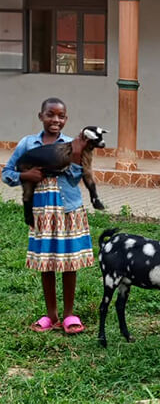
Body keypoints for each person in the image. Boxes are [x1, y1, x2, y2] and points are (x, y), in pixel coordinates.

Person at [1, 98, 93, 334]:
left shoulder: (71, 145)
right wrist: (26, 176)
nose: (56, 120)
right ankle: (51, 314)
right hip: (41, 211)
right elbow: (8, 172)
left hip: (68, 209)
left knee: (70, 261)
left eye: (61, 116)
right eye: (50, 115)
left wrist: (76, 157)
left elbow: (74, 178)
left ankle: (69, 314)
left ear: (66, 119)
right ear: (40, 116)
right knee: (47, 262)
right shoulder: (27, 144)